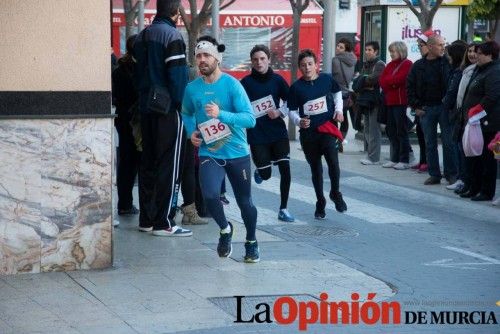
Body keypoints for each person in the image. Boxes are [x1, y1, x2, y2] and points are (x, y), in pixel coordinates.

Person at [181, 36, 260, 262]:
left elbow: (250, 120)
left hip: (237, 153)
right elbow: (186, 112)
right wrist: (190, 133)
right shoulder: (191, 89)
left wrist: (221, 114)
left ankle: (252, 242)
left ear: (217, 58)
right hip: (209, 152)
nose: (202, 60)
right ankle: (225, 229)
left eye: (207, 55)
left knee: (245, 202)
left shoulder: (232, 85)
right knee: (209, 195)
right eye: (198, 56)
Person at [133, 0, 192, 236]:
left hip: (145, 109)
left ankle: (147, 219)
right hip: (168, 111)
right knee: (170, 165)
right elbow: (178, 80)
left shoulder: (142, 36)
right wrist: (182, 107)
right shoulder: (172, 37)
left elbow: (137, 75)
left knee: (148, 164)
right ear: (175, 12)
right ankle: (164, 222)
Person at [288, 49, 347, 219]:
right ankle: (320, 200)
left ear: (316, 65)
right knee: (316, 169)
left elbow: (337, 94)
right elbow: (291, 110)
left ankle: (335, 193)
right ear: (299, 68)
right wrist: (299, 121)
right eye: (303, 65)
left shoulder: (326, 80)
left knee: (333, 164)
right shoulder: (296, 88)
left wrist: (339, 110)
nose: (307, 68)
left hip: (327, 128)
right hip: (309, 134)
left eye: (310, 64)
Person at [240, 44, 295, 222]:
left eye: (262, 58)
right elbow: (238, 105)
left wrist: (279, 112)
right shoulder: (245, 83)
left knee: (285, 168)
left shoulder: (277, 80)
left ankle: (283, 208)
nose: (259, 62)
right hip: (257, 135)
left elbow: (291, 101)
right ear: (251, 62)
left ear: (269, 60)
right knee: (266, 174)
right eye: (255, 59)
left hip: (278, 131)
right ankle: (261, 170)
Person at [407, 34, 456, 186]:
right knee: (430, 143)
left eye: (444, 44)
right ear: (430, 46)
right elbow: (410, 87)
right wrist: (416, 106)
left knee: (448, 142)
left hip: (444, 107)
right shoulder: (418, 66)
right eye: (440, 45)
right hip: (426, 109)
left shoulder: (447, 63)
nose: (443, 47)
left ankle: (451, 174)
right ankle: (434, 174)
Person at [459, 41, 500, 201]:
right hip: (475, 123)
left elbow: (492, 96)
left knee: (487, 159)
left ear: (490, 54)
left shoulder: (494, 71)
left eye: (480, 53)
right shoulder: (479, 69)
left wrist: (476, 111)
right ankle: (474, 187)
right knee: (475, 157)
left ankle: (486, 191)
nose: (476, 55)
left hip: (488, 123)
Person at [112, 35, 141, 218]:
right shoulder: (137, 70)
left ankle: (124, 203)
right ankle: (126, 203)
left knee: (126, 163)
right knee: (134, 162)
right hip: (134, 121)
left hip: (122, 120)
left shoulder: (118, 69)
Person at [379, 41, 413, 170]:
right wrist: (391, 83)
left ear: (401, 51)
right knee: (391, 131)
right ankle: (394, 158)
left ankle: (404, 159)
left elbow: (399, 80)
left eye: (393, 51)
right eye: (390, 52)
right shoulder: (390, 65)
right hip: (390, 101)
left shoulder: (407, 64)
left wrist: (390, 83)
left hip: (401, 102)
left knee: (401, 131)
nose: (391, 54)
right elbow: (382, 81)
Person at [353, 41, 386, 165]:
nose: (367, 52)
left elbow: (373, 80)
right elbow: (360, 81)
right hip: (366, 101)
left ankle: (374, 158)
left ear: (376, 51)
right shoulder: (366, 64)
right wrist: (363, 80)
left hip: (375, 101)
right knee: (366, 129)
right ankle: (370, 154)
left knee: (374, 130)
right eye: (366, 49)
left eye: (370, 50)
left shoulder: (379, 64)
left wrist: (363, 80)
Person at [442, 41, 467, 191]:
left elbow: (452, 93)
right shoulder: (454, 70)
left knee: (456, 145)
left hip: (456, 112)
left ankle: (459, 176)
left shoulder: (459, 72)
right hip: (453, 111)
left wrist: (445, 102)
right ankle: (458, 176)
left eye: (449, 55)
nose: (447, 58)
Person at [454, 42, 478, 195]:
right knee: (462, 149)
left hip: (474, 117)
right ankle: (465, 180)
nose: (472, 54)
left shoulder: (478, 71)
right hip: (462, 114)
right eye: (469, 51)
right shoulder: (465, 71)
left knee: (471, 152)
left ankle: (470, 182)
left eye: (476, 52)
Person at [331, 38, 357, 141]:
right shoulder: (353, 60)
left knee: (333, 118)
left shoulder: (335, 60)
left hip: (336, 92)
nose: (338, 48)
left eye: (341, 47)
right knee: (344, 118)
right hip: (346, 93)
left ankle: (335, 142)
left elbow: (333, 75)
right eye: (338, 46)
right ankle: (340, 142)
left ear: (346, 50)